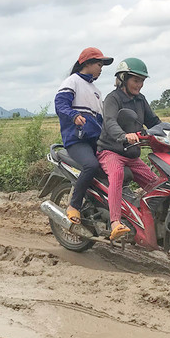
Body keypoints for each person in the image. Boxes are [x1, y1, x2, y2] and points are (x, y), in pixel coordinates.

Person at [97, 57, 161, 241]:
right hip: (111, 151)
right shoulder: (113, 99)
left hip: (132, 155)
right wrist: (124, 135)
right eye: (136, 80)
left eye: (142, 81)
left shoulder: (140, 100)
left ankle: (150, 221)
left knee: (157, 184)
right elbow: (110, 122)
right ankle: (115, 223)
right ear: (124, 78)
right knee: (116, 174)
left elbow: (153, 122)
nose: (140, 85)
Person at [54, 47, 113, 224]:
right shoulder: (72, 82)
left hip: (95, 141)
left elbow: (103, 121)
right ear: (86, 63)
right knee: (91, 165)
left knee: (113, 168)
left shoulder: (96, 92)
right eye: (98, 63)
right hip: (76, 141)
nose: (101, 68)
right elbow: (60, 104)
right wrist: (74, 116)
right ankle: (74, 206)